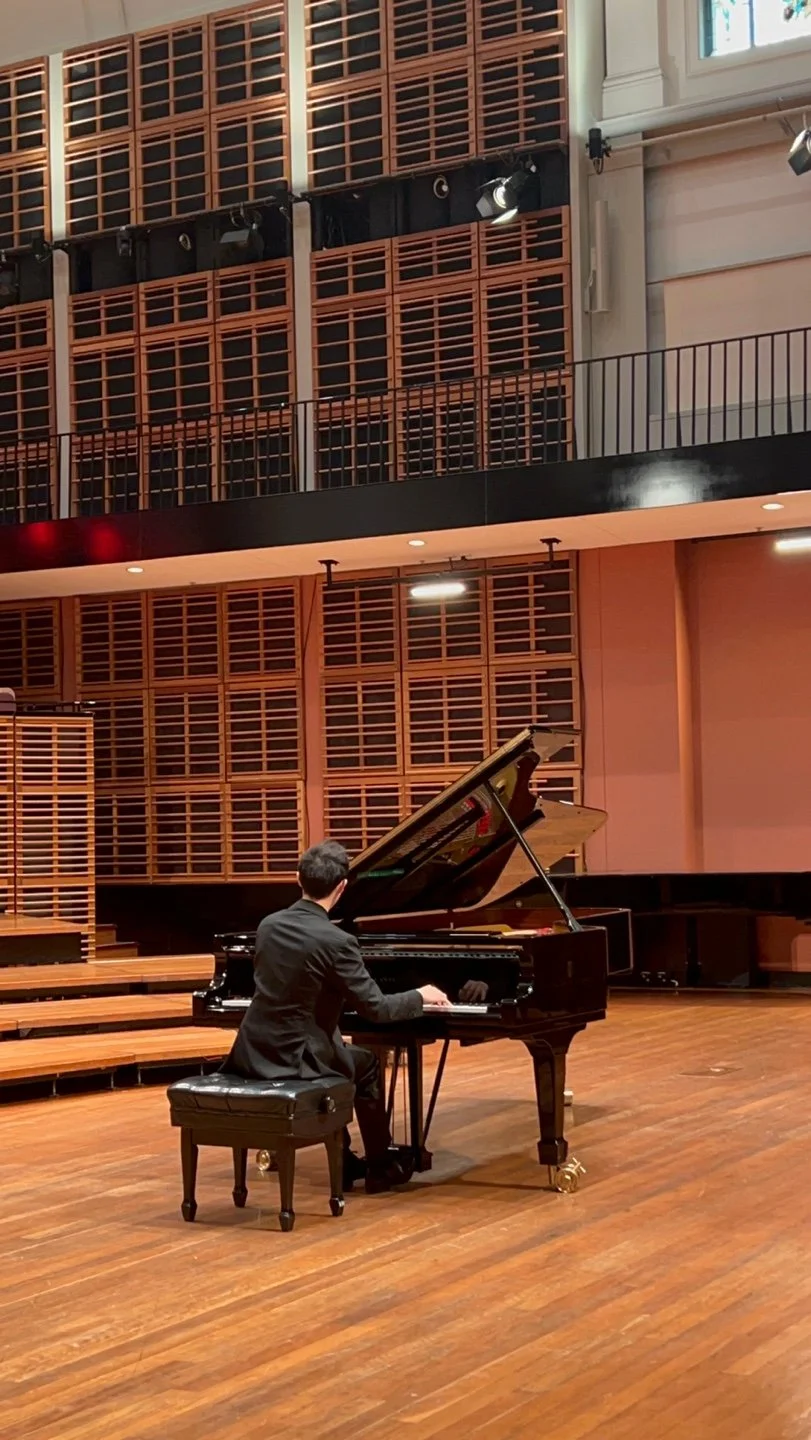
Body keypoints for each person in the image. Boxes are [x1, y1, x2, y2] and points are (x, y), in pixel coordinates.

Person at [223, 840, 451, 1193]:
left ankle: (343, 1156)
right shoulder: (337, 941)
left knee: (342, 1051)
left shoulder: (268, 925)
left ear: (297, 878)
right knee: (367, 1065)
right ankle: (379, 1165)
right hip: (296, 1060)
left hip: (254, 1051)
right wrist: (420, 996)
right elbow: (376, 1008)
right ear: (342, 887)